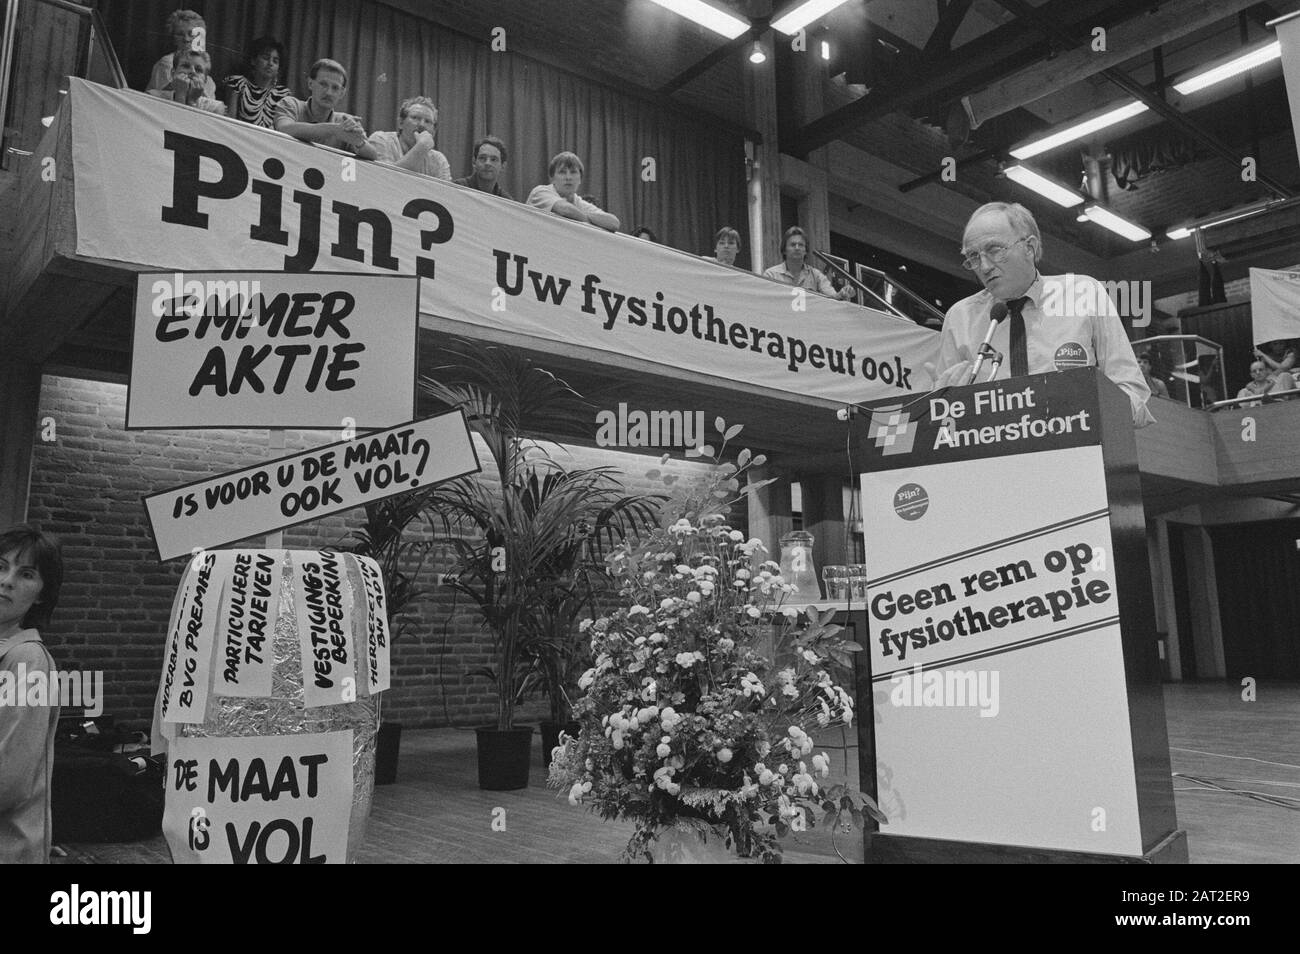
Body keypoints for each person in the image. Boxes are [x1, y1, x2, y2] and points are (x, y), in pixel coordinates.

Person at [934, 202, 1155, 427]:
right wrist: (944, 405)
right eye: (973, 256)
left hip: (1078, 452)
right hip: (997, 454)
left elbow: (1131, 390)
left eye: (994, 250)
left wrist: (1086, 414)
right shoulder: (960, 318)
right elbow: (945, 419)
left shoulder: (1084, 294)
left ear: (1029, 247)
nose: (984, 266)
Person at [0, 526, 64, 864]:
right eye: (0, 566)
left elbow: (9, 779)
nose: (7, 580)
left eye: (25, 574)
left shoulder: (28, 660)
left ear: (41, 594)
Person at [274, 59, 379, 159]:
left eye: (335, 88)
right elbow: (284, 129)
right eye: (323, 84)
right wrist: (333, 130)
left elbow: (373, 155)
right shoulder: (290, 104)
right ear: (310, 83)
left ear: (342, 93)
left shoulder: (346, 121)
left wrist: (359, 142)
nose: (329, 92)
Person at [527, 152, 620, 231]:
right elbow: (565, 210)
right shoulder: (540, 192)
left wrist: (581, 215)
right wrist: (593, 222)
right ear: (552, 179)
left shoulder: (579, 202)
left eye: (573, 172)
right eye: (562, 172)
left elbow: (614, 223)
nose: (568, 177)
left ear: (580, 179)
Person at [367, 96, 452, 179]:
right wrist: (421, 147)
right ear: (401, 123)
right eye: (415, 118)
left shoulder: (439, 160)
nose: (422, 125)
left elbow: (445, 193)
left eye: (428, 121)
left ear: (433, 131)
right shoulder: (381, 140)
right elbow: (385, 180)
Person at [762, 227, 853, 301]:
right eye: (793, 245)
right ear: (784, 250)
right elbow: (764, 301)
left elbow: (833, 298)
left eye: (801, 245)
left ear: (806, 251)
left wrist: (842, 293)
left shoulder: (816, 275)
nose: (797, 248)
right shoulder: (771, 275)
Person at [146, 9, 216, 100]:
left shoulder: (209, 78)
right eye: (180, 34)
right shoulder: (166, 63)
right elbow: (164, 99)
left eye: (191, 34)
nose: (186, 39)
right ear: (173, 38)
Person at [223, 36, 292, 128]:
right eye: (266, 58)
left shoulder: (283, 95)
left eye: (275, 61)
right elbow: (229, 121)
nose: (270, 63)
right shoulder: (238, 83)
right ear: (253, 60)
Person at [154, 49, 225, 113]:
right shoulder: (154, 98)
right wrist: (180, 95)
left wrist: (192, 102)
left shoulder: (215, 109)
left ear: (205, 80)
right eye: (186, 66)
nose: (192, 71)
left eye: (198, 70)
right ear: (173, 73)